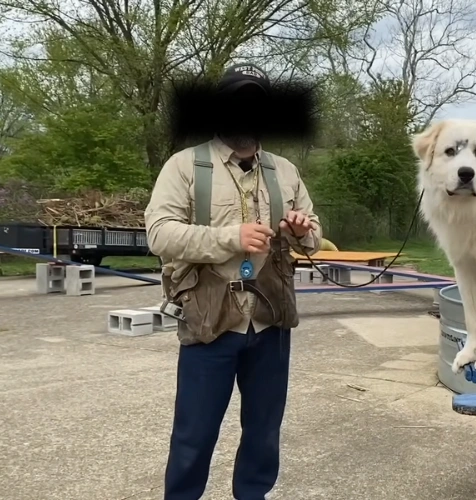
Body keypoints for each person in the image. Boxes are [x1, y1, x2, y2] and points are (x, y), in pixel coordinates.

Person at [144, 62, 322, 500]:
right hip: (209, 323)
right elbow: (159, 234)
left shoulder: (285, 171)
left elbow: (315, 238)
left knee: (263, 437)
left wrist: (303, 231)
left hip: (270, 323)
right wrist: (230, 237)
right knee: (193, 438)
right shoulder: (183, 166)